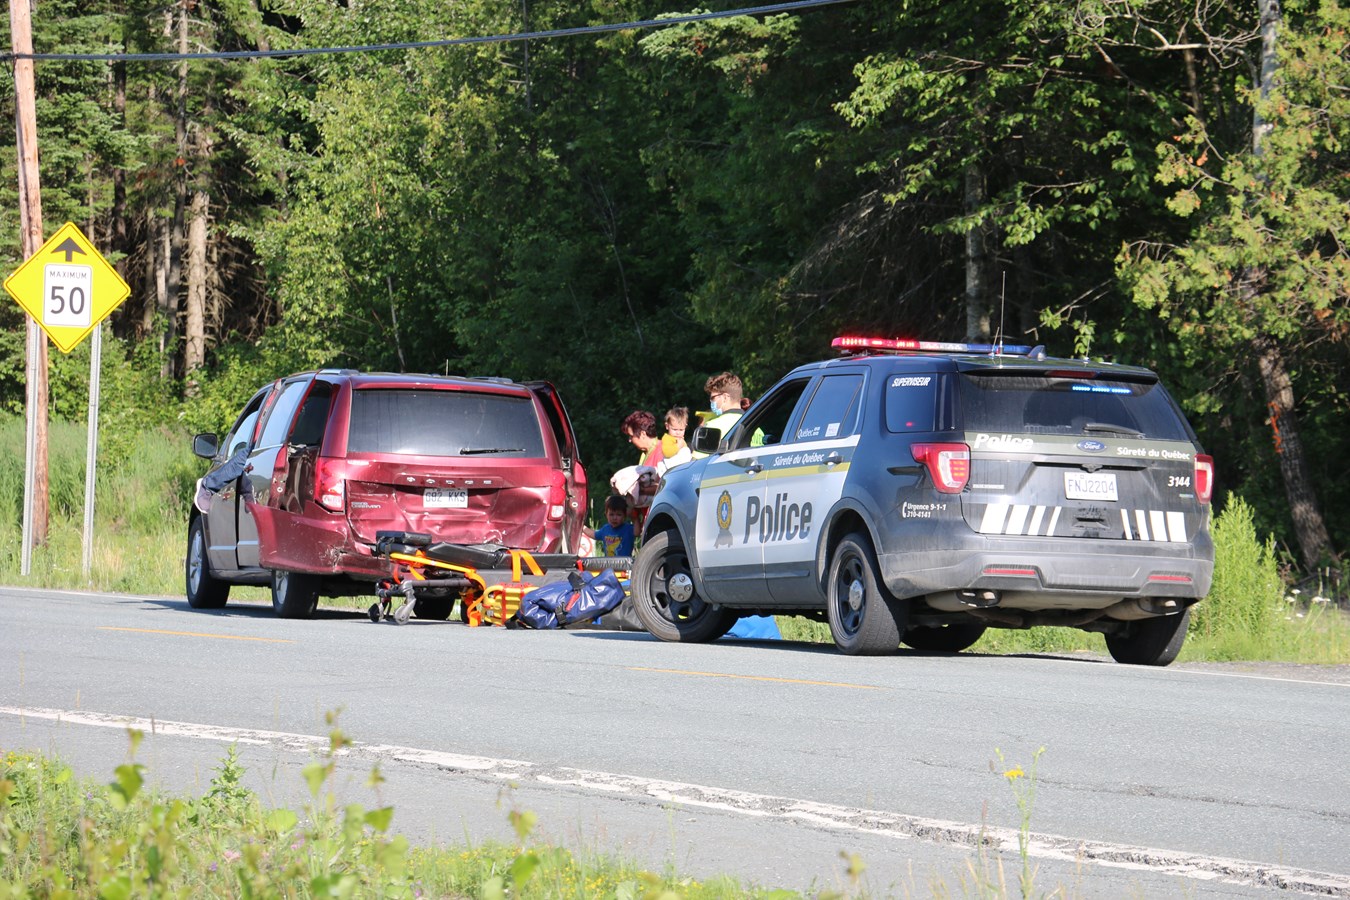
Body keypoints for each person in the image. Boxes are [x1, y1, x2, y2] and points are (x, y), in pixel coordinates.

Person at [692, 372, 747, 459]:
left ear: (725, 397)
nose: (711, 402)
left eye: (713, 398)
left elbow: (696, 463)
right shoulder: (755, 425)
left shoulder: (712, 426)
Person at [659, 406, 693, 472]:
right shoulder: (667, 438)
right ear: (667, 426)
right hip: (672, 469)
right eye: (674, 429)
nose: (678, 433)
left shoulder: (681, 439)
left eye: (681, 430)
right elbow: (666, 452)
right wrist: (678, 446)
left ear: (685, 427)